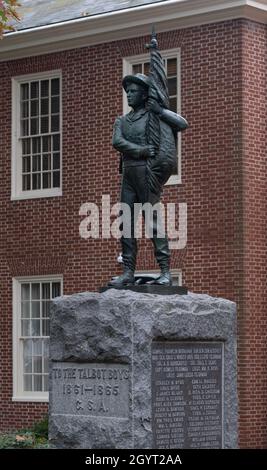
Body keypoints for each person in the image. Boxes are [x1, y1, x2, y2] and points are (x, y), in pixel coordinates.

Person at [108, 73, 188, 287]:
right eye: (128, 92)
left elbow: (182, 124)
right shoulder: (122, 121)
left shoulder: (153, 117)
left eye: (134, 91)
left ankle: (165, 271)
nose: (129, 95)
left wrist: (160, 111)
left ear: (144, 95)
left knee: (153, 222)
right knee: (126, 224)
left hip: (147, 173)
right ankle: (127, 271)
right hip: (129, 174)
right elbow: (117, 142)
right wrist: (141, 149)